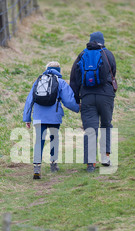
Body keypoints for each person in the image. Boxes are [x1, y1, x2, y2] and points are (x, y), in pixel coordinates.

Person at [23, 61, 80, 180]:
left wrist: (27, 118)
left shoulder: (38, 81)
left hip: (38, 116)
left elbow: (29, 100)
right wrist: (78, 109)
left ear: (46, 69)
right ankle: (53, 163)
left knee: (39, 140)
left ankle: (37, 167)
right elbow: (69, 101)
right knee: (54, 138)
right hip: (54, 116)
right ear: (59, 70)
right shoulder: (61, 82)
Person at [70, 31, 117, 173]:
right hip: (106, 96)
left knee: (90, 129)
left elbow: (74, 79)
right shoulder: (108, 55)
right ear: (102, 41)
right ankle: (105, 157)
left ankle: (90, 164)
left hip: (87, 96)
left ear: (90, 41)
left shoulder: (82, 55)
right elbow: (112, 73)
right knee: (106, 125)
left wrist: (77, 99)